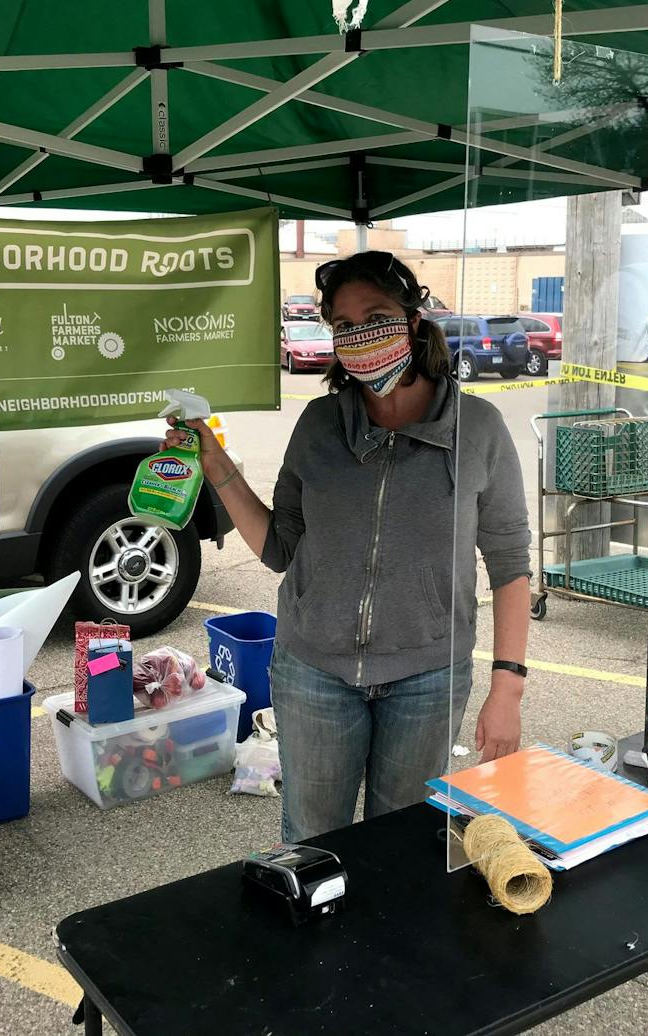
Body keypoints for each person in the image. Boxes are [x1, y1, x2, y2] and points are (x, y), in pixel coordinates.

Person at [163, 251, 531, 842]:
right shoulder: (318, 425)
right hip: (314, 672)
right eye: (343, 324)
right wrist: (215, 464)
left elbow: (511, 565)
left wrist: (506, 688)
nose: (360, 335)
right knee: (312, 840)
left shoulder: (478, 429)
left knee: (402, 843)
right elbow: (281, 548)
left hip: (429, 677)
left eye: (376, 315)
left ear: (413, 320)